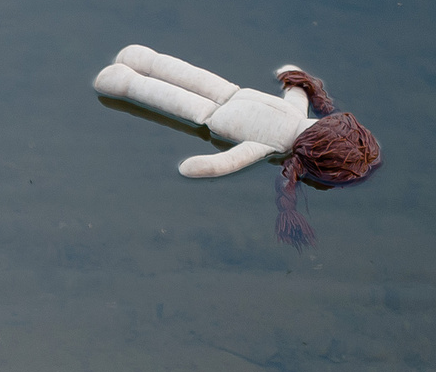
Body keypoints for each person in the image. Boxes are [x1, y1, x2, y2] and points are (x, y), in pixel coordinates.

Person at [91, 44, 382, 246]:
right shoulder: (284, 137)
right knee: (173, 86)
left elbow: (230, 159)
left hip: (216, 109)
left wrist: (298, 80)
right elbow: (233, 159)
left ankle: (133, 72)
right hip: (229, 96)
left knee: (176, 82)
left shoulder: (276, 141)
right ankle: (129, 78)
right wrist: (298, 80)